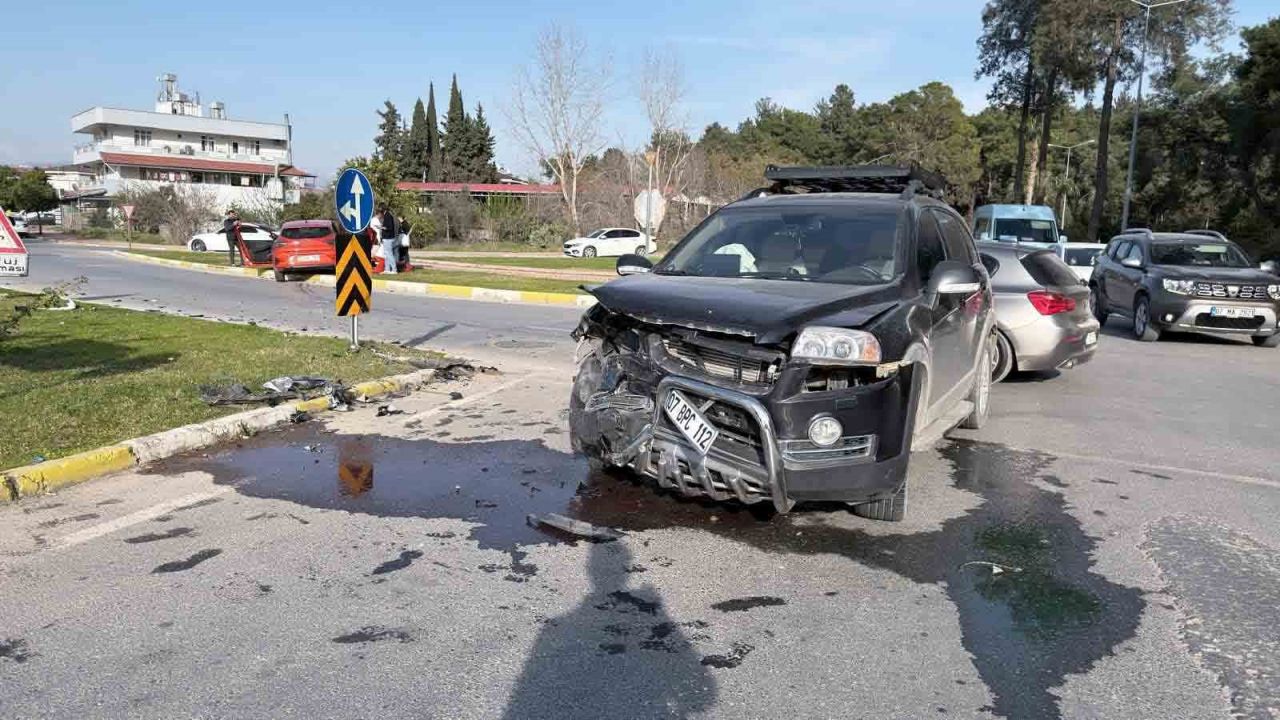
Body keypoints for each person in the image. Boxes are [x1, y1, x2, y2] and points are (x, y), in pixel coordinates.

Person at [379, 206, 399, 274]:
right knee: (386, 254)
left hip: (388, 238)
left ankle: (394, 269)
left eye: (380, 209)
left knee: (389, 254)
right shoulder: (387, 215)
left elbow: (389, 227)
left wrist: (383, 227)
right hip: (386, 238)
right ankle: (387, 269)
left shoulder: (388, 216)